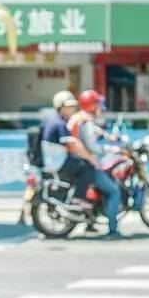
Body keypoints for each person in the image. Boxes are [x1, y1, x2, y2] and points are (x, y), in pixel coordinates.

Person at [62, 89, 122, 238]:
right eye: (97, 103)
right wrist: (111, 149)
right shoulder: (85, 121)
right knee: (114, 191)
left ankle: (91, 222)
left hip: (76, 160)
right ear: (91, 105)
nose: (100, 107)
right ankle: (113, 228)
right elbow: (92, 146)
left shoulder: (80, 118)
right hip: (85, 162)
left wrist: (109, 137)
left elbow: (97, 132)